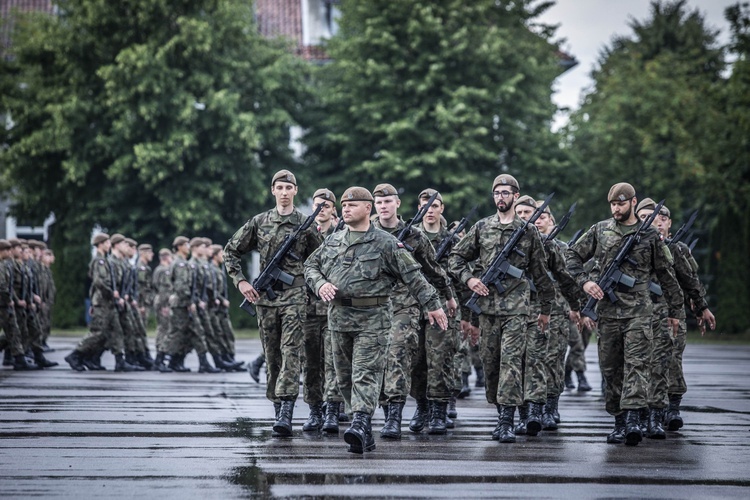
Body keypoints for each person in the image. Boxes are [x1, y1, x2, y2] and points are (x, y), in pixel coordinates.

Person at [304, 186, 448, 454]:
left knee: (365, 374)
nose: (345, 209)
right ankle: (364, 431)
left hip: (373, 318)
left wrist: (433, 305)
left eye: (352, 205)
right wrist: (320, 283)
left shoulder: (386, 243)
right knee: (344, 377)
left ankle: (360, 422)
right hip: (339, 317)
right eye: (344, 205)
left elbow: (414, 276)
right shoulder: (334, 240)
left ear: (367, 208)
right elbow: (310, 266)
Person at [566, 182, 684, 446]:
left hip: (640, 312)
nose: (616, 208)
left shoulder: (649, 235)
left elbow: (665, 274)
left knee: (637, 365)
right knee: (611, 368)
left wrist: (676, 310)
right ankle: (619, 420)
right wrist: (585, 282)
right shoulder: (601, 230)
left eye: (621, 203)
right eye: (613, 204)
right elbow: (571, 256)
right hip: (608, 312)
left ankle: (632, 420)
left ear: (633, 202)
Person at [448, 174, 555, 444]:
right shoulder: (482, 228)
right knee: (491, 364)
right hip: (487, 310)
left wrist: (545, 308)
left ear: (515, 196)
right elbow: (456, 258)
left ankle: (506, 421)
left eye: (506, 193)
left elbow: (541, 272)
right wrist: (470, 279)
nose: (501, 198)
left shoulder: (528, 231)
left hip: (517, 309)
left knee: (510, 363)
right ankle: (503, 410)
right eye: (497, 193)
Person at [225, 169, 323, 437]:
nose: (283, 192)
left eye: (288, 188)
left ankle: (286, 414)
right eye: (279, 188)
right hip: (266, 300)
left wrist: (315, 286)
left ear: (295, 191)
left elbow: (322, 258)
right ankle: (277, 405)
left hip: (295, 298)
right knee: (272, 356)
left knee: (291, 352)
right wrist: (241, 282)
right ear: (272, 190)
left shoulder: (305, 223)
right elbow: (231, 250)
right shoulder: (260, 222)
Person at [371, 183, 455, 437]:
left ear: (397, 204)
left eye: (388, 201)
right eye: (379, 202)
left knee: (397, 354)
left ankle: (395, 417)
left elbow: (432, 269)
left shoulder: (414, 235)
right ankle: (392, 411)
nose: (383, 206)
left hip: (406, 304)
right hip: (373, 306)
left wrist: (448, 298)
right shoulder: (366, 231)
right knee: (386, 361)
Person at [635, 198, 716, 437]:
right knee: (639, 365)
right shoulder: (631, 247)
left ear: (669, 223)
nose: (654, 221)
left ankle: (668, 410)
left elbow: (691, 281)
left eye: (661, 217)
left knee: (670, 363)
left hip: (671, 316)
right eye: (645, 217)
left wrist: (701, 307)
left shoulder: (677, 249)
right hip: (639, 315)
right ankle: (641, 413)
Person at [530, 199, 585, 431]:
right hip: (530, 312)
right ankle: (533, 406)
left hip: (558, 312)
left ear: (551, 221)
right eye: (535, 216)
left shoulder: (562, 248)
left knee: (553, 360)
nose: (538, 220)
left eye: (543, 217)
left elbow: (569, 281)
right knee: (533, 361)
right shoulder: (522, 247)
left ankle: (551, 406)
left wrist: (575, 307)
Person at [412, 188, 461, 431]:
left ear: (441, 209)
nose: (429, 210)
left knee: (441, 359)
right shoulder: (410, 236)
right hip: (413, 304)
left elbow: (461, 276)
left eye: (434, 206)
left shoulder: (452, 240)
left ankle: (439, 410)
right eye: (425, 206)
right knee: (416, 359)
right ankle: (422, 408)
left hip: (444, 303)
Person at [152, 248, 173, 371]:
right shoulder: (164, 270)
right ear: (166, 257)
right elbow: (164, 289)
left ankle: (159, 358)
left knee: (162, 329)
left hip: (160, 301)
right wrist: (165, 305)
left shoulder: (158, 270)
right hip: (163, 302)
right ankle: (159, 359)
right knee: (164, 330)